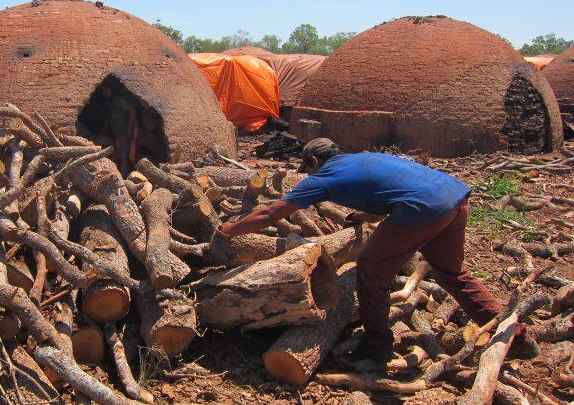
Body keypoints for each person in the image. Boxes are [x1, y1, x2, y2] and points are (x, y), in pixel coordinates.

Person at [217, 138, 539, 363]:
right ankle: (518, 339)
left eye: (308, 169)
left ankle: (376, 346)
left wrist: (229, 230)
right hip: (454, 196)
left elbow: (272, 213)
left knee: (371, 267)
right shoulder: (361, 158)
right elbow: (387, 188)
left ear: (313, 163)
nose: (308, 175)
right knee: (452, 274)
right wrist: (364, 216)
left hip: (423, 209)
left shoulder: (323, 176)